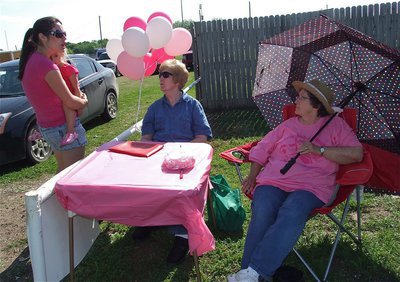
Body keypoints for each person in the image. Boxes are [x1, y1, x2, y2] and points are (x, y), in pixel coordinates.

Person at [227, 79, 363, 282]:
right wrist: (253, 175)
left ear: (316, 105)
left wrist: (320, 150)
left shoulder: (336, 126)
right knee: (263, 207)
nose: (296, 100)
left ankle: (254, 271)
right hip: (274, 180)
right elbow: (263, 147)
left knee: (293, 209)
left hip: (312, 186)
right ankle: (249, 273)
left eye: (301, 97)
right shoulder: (288, 125)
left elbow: (357, 154)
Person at [133, 59, 212, 264]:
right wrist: (158, 154)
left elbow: (202, 138)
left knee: (181, 191)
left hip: (186, 161)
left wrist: (179, 153)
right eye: (160, 74)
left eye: (165, 74)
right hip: (159, 160)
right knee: (147, 184)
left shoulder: (193, 106)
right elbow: (146, 139)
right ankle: (152, 220)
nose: (160, 78)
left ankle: (182, 235)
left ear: (177, 80)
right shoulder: (154, 108)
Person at [19, 17, 88, 173]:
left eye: (64, 33)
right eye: (58, 33)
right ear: (42, 37)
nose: (64, 37)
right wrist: (84, 100)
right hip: (62, 127)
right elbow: (70, 102)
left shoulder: (32, 60)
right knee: (72, 177)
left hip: (49, 127)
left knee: (62, 173)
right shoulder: (46, 65)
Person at [50, 50, 81, 146]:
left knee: (67, 103)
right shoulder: (52, 70)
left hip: (70, 96)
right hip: (60, 96)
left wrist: (78, 105)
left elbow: (76, 88)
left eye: (55, 56)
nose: (53, 60)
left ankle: (71, 132)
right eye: (50, 58)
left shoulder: (68, 68)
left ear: (62, 54)